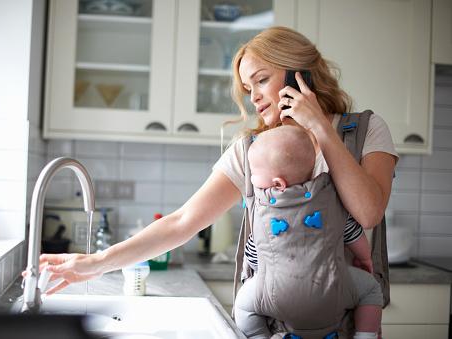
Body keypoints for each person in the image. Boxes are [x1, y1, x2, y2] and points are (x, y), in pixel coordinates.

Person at [38, 26, 398, 337]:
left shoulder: (365, 130)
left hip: (351, 324)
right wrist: (96, 262)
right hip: (274, 329)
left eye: (261, 80)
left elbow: (368, 213)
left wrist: (319, 126)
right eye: (247, 87)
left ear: (298, 75)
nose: (253, 96)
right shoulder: (254, 152)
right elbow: (182, 222)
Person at [233, 124, 382, 339]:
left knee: (243, 304)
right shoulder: (330, 197)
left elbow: (255, 253)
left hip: (276, 295)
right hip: (331, 290)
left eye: (254, 172)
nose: (252, 178)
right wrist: (365, 257)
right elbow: (351, 232)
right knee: (370, 290)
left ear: (277, 183)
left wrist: (260, 270)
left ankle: (259, 336)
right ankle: (364, 336)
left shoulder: (263, 210)